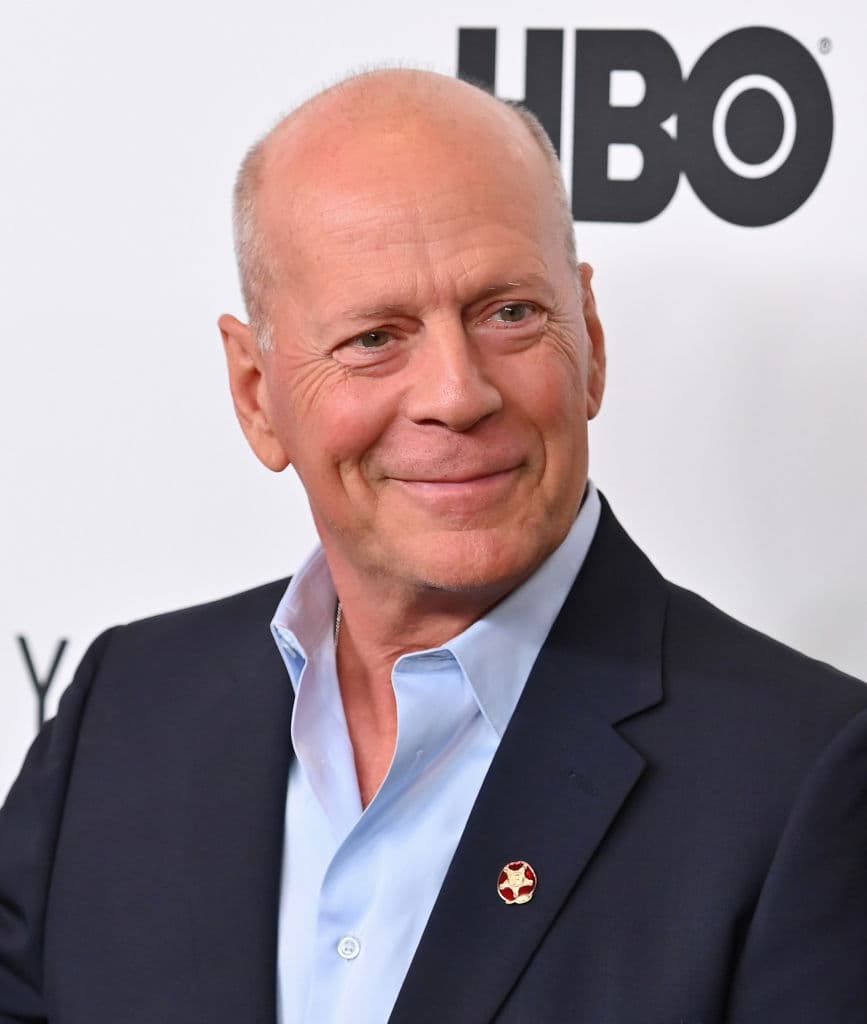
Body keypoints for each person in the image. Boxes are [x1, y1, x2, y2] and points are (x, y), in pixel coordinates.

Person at [0, 69, 865, 1024]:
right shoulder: (121, 711)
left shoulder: (807, 779)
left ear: (592, 341)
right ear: (256, 394)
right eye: (375, 337)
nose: (456, 394)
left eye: (509, 314)